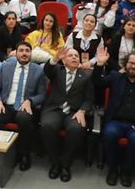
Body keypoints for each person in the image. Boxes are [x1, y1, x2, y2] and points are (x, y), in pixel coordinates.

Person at [94, 48, 135, 187]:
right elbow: (97, 82)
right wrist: (99, 64)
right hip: (115, 121)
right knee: (109, 134)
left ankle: (127, 171)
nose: (133, 66)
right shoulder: (116, 77)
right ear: (126, 63)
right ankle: (113, 169)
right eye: (130, 63)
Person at [0, 41, 46, 172]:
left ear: (31, 54)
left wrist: (30, 101)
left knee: (24, 119)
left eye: (27, 51)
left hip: (26, 107)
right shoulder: (6, 66)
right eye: (21, 51)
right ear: (16, 53)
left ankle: (24, 154)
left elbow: (42, 95)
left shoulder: (38, 70)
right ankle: (10, 148)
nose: (24, 54)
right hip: (6, 105)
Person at [41, 47, 94, 182]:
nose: (75, 57)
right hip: (54, 109)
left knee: (76, 129)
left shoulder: (86, 76)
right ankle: (55, 163)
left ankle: (65, 164)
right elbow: (47, 70)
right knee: (47, 126)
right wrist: (55, 58)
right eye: (71, 55)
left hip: (74, 112)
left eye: (77, 56)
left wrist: (82, 111)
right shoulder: (57, 70)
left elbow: (89, 99)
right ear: (64, 60)